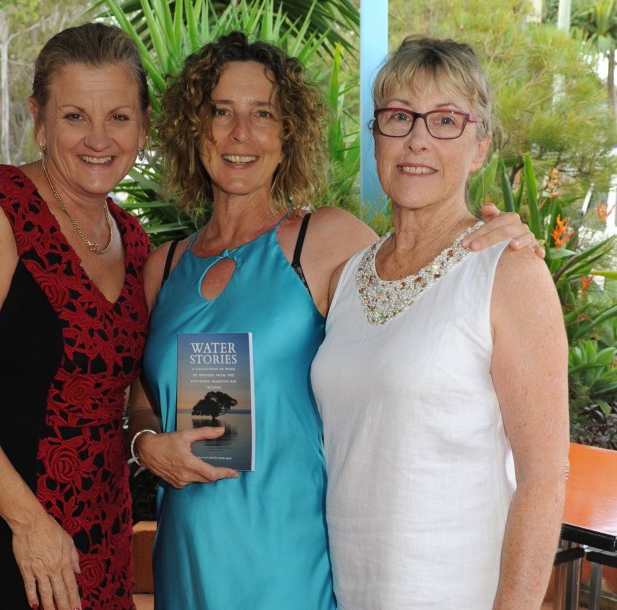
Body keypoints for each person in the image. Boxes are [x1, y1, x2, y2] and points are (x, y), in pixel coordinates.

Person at [126, 32, 539, 610]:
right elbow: (142, 401)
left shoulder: (325, 241)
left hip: (291, 558)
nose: (240, 133)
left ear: (287, 133)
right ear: (195, 129)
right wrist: (146, 445)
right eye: (221, 111)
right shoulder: (162, 267)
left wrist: (496, 236)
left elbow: (424, 278)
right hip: (187, 550)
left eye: (262, 114)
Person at [311, 36, 570, 609]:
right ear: (376, 135)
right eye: (399, 116)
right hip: (351, 592)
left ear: (480, 148)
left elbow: (544, 476)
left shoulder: (508, 272)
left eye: (446, 120)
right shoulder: (348, 277)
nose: (418, 139)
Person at [0, 23, 150, 610]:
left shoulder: (134, 240)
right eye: (74, 116)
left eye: (119, 116)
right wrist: (29, 524)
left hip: (102, 523)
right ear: (39, 121)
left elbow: (132, 389)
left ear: (143, 127)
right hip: (8, 528)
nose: (98, 138)